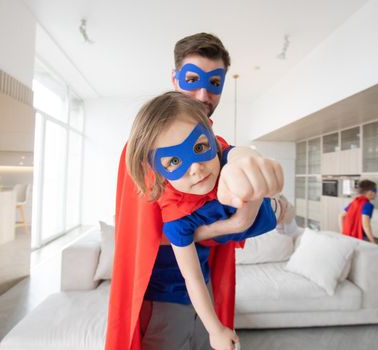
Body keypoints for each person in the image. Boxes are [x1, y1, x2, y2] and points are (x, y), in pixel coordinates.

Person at [105, 33, 284, 350]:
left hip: (205, 285)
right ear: (174, 79)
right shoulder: (142, 149)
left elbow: (234, 156)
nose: (203, 95)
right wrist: (233, 225)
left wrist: (250, 163)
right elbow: (142, 236)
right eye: (191, 79)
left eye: (214, 83)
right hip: (160, 294)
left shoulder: (214, 146)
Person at [126, 91, 277, 350]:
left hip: (272, 212)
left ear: (210, 136)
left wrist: (248, 163)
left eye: (199, 147)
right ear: (155, 169)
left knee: (282, 209)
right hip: (171, 295)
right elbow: (192, 277)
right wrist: (215, 329)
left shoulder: (223, 159)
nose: (195, 168)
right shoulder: (176, 219)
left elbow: (238, 155)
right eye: (174, 160)